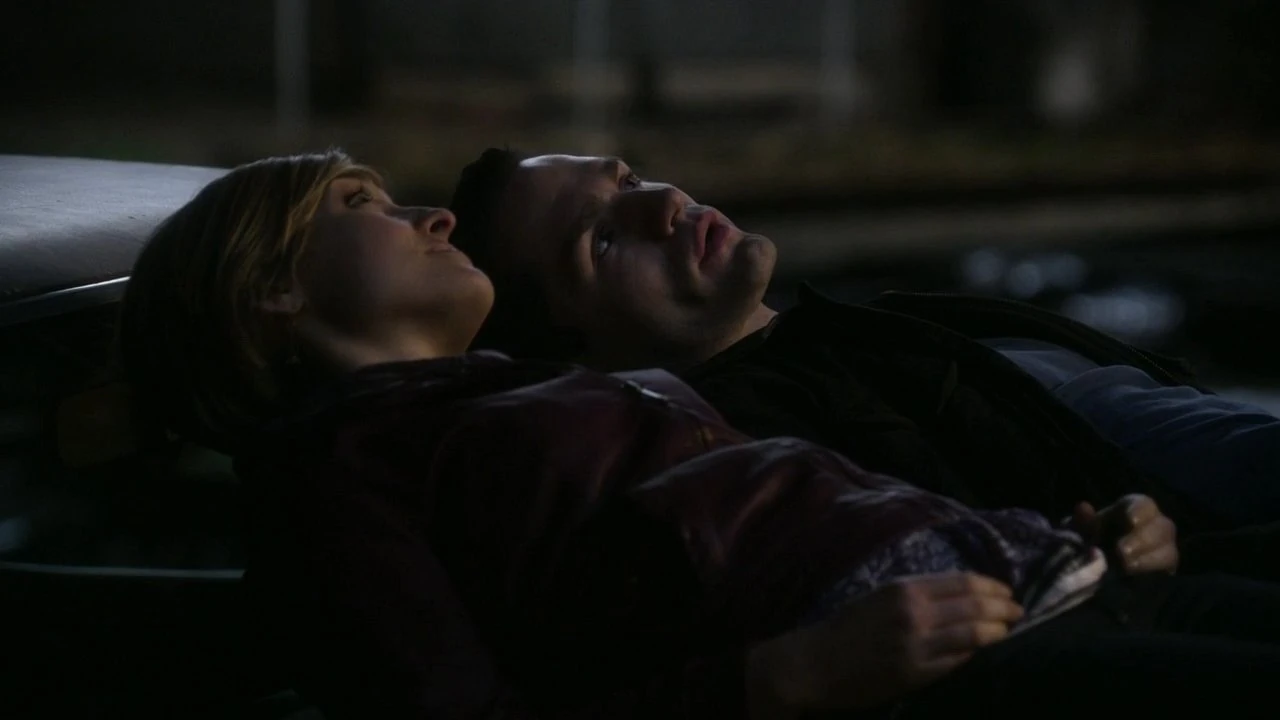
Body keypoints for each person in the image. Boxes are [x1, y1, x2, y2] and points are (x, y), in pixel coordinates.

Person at [119, 150, 1280, 719]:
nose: (427, 214)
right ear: (273, 289)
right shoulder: (338, 478)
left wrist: (1066, 533)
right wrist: (786, 677)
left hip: (1048, 577)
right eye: (360, 206)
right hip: (963, 668)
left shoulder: (509, 401)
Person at [447, 148, 1280, 574]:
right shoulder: (782, 432)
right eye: (602, 241)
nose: (664, 202)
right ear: (582, 356)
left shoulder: (847, 335)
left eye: (629, 178)